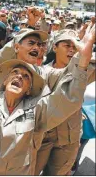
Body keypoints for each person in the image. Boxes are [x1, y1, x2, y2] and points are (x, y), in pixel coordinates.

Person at [0, 0, 95, 175]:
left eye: (26, 76)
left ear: (30, 89)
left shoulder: (37, 110)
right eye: (14, 73)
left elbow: (67, 97)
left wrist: (82, 60)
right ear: (2, 81)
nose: (19, 76)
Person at [34, 30, 83, 175]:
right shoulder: (41, 71)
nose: (71, 49)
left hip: (67, 139)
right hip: (42, 136)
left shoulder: (81, 71)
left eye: (74, 46)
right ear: (54, 47)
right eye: (67, 45)